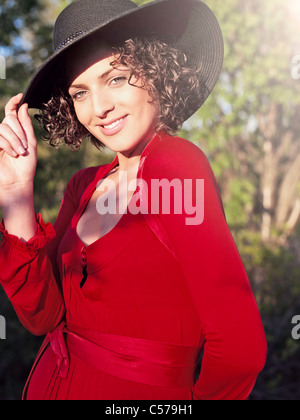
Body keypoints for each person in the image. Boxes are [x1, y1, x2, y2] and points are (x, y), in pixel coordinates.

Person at [0, 0, 267, 400]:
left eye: (117, 78)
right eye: (80, 93)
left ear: (155, 69)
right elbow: (43, 317)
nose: (100, 108)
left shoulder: (177, 165)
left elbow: (240, 348)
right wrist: (16, 191)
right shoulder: (82, 186)